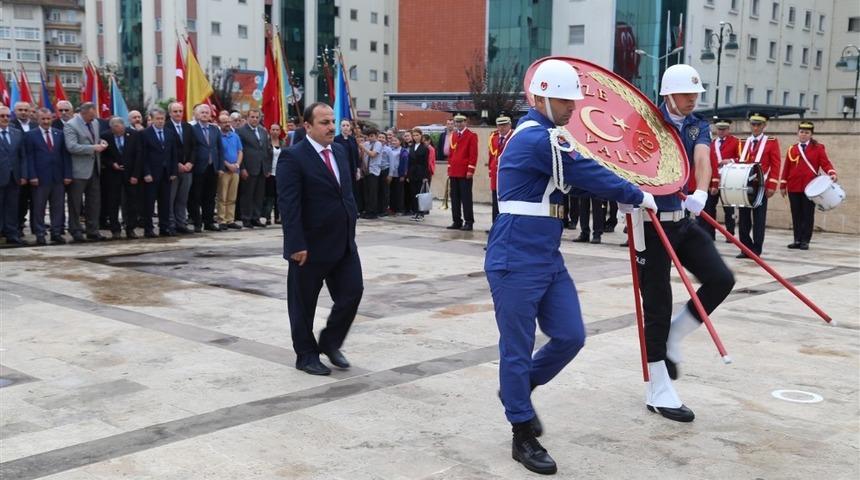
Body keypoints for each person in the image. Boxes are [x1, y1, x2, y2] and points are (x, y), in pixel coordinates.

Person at [485, 59, 657, 475]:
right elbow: (584, 170)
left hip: (545, 253)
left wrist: (621, 196)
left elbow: (572, 180)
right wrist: (634, 194)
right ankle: (521, 431)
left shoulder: (549, 138)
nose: (573, 108)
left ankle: (519, 389)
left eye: (574, 101)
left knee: (570, 336)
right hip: (515, 255)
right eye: (565, 100)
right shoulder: (536, 138)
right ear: (542, 97)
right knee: (516, 349)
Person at [636, 64, 735, 423]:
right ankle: (658, 390)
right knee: (657, 305)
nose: (692, 99)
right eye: (685, 94)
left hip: (682, 219)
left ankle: (676, 334)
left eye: (695, 94)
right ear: (667, 94)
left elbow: (703, 158)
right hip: (649, 223)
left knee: (722, 279)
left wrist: (700, 192)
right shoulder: (646, 121)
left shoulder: (698, 124)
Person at [278, 102, 363, 376]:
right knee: (303, 304)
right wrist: (295, 244)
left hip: (343, 242)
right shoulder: (293, 157)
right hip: (310, 246)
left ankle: (330, 341)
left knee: (352, 292)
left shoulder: (339, 150)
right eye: (324, 123)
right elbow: (288, 204)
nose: (331, 127)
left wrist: (352, 219)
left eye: (332, 122)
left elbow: (345, 192)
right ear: (308, 126)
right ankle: (305, 354)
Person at [780, 121, 837, 250]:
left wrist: (831, 173)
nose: (804, 135)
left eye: (807, 133)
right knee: (796, 214)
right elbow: (787, 168)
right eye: (802, 132)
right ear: (798, 133)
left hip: (810, 187)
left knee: (807, 214)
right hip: (793, 186)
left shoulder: (818, 148)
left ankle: (805, 240)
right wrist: (783, 184)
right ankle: (797, 239)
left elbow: (825, 163)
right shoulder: (792, 149)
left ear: (811, 134)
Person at [736, 113, 780, 258]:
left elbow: (776, 164)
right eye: (753, 124)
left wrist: (772, 184)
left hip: (761, 185)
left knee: (759, 219)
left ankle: (756, 249)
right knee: (743, 219)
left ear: (764, 125)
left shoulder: (771, 142)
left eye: (758, 125)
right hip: (744, 185)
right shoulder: (743, 142)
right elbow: (740, 161)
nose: (755, 127)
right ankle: (745, 248)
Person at [26, 108, 72, 245]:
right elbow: (29, 157)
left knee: (57, 207)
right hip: (40, 178)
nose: (46, 121)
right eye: (43, 119)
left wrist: (67, 174)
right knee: (39, 207)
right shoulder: (30, 135)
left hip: (58, 177)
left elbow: (65, 156)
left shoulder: (59, 134)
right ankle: (40, 233)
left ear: (52, 119)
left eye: (48, 119)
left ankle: (56, 233)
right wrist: (32, 176)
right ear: (38, 119)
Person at [65, 102, 108, 242]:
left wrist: (101, 143)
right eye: (91, 116)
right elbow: (71, 147)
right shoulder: (71, 125)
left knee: (94, 202)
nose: (93, 118)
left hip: (94, 168)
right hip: (78, 171)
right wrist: (93, 148)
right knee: (75, 203)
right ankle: (76, 230)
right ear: (83, 113)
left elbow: (94, 139)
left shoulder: (94, 123)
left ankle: (93, 230)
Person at [138, 107, 178, 237]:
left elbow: (173, 154)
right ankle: (148, 229)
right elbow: (142, 156)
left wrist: (173, 171)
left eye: (162, 119)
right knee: (149, 203)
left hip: (166, 173)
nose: (160, 121)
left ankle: (164, 227)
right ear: (152, 119)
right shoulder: (144, 134)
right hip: (151, 174)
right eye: (157, 119)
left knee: (165, 202)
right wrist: (146, 173)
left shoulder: (170, 133)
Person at [101, 116, 141, 239]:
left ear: (124, 126)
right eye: (115, 130)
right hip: (113, 174)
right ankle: (115, 229)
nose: (119, 132)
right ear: (111, 129)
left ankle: (131, 228)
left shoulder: (133, 134)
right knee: (113, 202)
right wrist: (112, 164)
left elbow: (139, 155)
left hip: (130, 174)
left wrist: (135, 175)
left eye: (120, 129)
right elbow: (103, 156)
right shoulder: (105, 136)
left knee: (132, 202)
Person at [188, 104, 223, 232]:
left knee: (210, 197)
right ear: (197, 115)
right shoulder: (192, 129)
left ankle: (209, 222)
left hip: (212, 167)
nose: (204, 114)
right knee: (196, 196)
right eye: (202, 112)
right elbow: (191, 148)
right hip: (198, 167)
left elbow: (220, 149)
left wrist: (220, 167)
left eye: (207, 112)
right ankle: (197, 222)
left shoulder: (215, 129)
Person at [236, 109, 273, 228]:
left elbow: (267, 150)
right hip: (249, 167)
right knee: (247, 194)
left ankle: (255, 217)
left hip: (261, 168)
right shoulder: (241, 131)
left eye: (257, 117)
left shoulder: (262, 131)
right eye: (252, 117)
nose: (255, 119)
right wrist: (242, 168)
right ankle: (246, 218)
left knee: (259, 194)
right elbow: (239, 151)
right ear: (247, 118)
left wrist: (267, 168)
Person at [707, 118, 740, 239]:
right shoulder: (712, 143)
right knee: (710, 208)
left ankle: (730, 234)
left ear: (728, 129)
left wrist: (730, 160)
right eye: (719, 129)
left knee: (729, 209)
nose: (721, 131)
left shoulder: (736, 142)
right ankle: (711, 234)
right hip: (713, 180)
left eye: (723, 129)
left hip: (728, 179)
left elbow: (742, 158)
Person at [0, 106, 28, 246]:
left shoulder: (17, 133)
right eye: (2, 116)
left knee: (12, 207)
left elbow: (22, 156)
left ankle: (11, 233)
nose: (5, 118)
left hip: (14, 177)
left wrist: (23, 175)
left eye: (7, 116)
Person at [167, 102, 196, 234]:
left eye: (180, 111)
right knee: (170, 198)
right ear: (170, 113)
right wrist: (177, 164)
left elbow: (194, 147)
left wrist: (190, 162)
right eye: (175, 111)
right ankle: (171, 224)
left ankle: (181, 223)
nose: (178, 114)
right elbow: (166, 149)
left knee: (182, 198)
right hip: (173, 169)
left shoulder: (188, 127)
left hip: (187, 169)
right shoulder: (166, 127)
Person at [446, 114, 478, 230]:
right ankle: (456, 221)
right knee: (454, 198)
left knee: (466, 199)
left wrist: (470, 170)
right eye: (457, 122)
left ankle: (469, 222)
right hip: (454, 171)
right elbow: (450, 154)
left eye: (461, 122)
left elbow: (473, 155)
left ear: (466, 122)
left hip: (465, 172)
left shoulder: (471, 135)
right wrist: (449, 168)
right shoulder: (453, 135)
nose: (458, 124)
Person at [216, 113, 243, 230]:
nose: (227, 124)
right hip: (224, 170)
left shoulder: (235, 136)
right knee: (223, 196)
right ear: (219, 124)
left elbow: (240, 151)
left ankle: (230, 219)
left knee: (232, 196)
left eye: (228, 122)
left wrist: (237, 164)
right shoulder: (217, 137)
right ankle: (222, 219)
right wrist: (228, 165)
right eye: (224, 122)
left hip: (235, 170)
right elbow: (218, 154)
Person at [488, 115, 512, 225]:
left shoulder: (514, 136)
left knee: (507, 202)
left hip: (508, 175)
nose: (501, 128)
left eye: (504, 125)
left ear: (509, 125)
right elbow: (491, 155)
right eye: (499, 125)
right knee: (495, 202)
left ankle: (505, 225)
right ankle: (495, 225)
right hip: (495, 175)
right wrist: (490, 170)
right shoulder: (494, 137)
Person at [333, 119, 362, 210]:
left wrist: (358, 169)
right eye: (343, 125)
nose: (345, 127)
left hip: (352, 168)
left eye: (347, 125)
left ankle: (353, 209)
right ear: (340, 127)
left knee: (353, 189)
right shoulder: (336, 139)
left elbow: (356, 155)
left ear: (350, 127)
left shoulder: (352, 139)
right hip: (341, 168)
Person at [261, 123, 284, 226]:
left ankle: (278, 217)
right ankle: (267, 217)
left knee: (279, 196)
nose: (275, 132)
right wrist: (266, 170)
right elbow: (264, 157)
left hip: (280, 173)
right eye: (273, 129)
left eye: (277, 130)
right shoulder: (266, 142)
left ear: (280, 131)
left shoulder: (283, 142)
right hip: (270, 173)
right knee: (269, 197)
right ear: (269, 131)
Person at [406, 128, 430, 221]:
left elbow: (425, 163)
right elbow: (409, 162)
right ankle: (415, 211)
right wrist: (408, 175)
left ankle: (421, 213)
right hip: (412, 172)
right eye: (414, 135)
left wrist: (425, 176)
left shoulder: (425, 148)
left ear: (421, 135)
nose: (415, 137)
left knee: (420, 194)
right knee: (413, 193)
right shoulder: (411, 147)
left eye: (417, 135)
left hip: (420, 172)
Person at [361, 130, 384, 219]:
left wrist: (363, 148)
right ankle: (367, 210)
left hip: (374, 171)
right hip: (367, 171)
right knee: (366, 192)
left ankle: (373, 212)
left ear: (376, 136)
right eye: (369, 136)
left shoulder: (378, 144)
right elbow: (364, 156)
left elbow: (373, 154)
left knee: (372, 193)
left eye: (372, 136)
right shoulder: (366, 143)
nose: (371, 138)